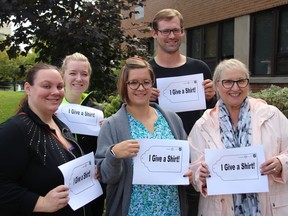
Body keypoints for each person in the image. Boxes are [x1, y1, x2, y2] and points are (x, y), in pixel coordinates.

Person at [189, 58, 288, 215]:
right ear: (216, 86)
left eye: (241, 81)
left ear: (248, 84)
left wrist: (281, 163)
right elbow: (194, 169)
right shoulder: (203, 125)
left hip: (268, 207)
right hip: (221, 209)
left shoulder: (271, 115)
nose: (235, 88)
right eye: (227, 82)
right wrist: (200, 175)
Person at [95, 57, 192, 216]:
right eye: (133, 82)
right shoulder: (111, 126)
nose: (141, 88)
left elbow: (187, 162)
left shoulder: (172, 119)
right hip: (133, 211)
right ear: (124, 86)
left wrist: (189, 172)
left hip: (171, 209)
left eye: (146, 82)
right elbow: (106, 177)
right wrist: (114, 155)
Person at [0, 63, 95, 215]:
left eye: (59, 86)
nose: (55, 92)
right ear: (28, 88)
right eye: (46, 86)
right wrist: (41, 203)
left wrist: (86, 172)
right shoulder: (15, 130)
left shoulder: (58, 123)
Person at [149, 8, 217, 215]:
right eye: (166, 31)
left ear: (183, 32)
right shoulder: (145, 72)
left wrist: (212, 96)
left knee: (196, 209)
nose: (172, 36)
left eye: (176, 30)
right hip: (160, 158)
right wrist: (142, 98)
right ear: (154, 34)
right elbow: (129, 113)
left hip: (196, 157)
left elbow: (214, 114)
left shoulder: (199, 68)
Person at [61, 52, 105, 216]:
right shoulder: (52, 108)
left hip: (90, 185)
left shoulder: (96, 111)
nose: (79, 78)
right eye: (73, 73)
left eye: (84, 74)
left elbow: (101, 152)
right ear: (63, 75)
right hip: (60, 187)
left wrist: (107, 130)